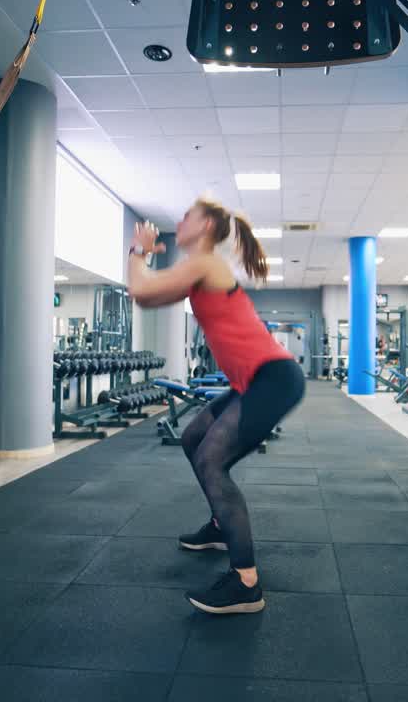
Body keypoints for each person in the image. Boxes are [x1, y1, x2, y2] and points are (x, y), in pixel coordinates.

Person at [127, 197, 305, 614]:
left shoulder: (204, 262)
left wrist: (137, 252)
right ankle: (221, 526)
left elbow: (140, 288)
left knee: (212, 461)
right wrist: (144, 264)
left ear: (205, 225)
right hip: (254, 380)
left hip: (273, 378)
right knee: (193, 437)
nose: (180, 220)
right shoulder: (199, 267)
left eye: (186, 215)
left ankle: (246, 583)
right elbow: (147, 298)